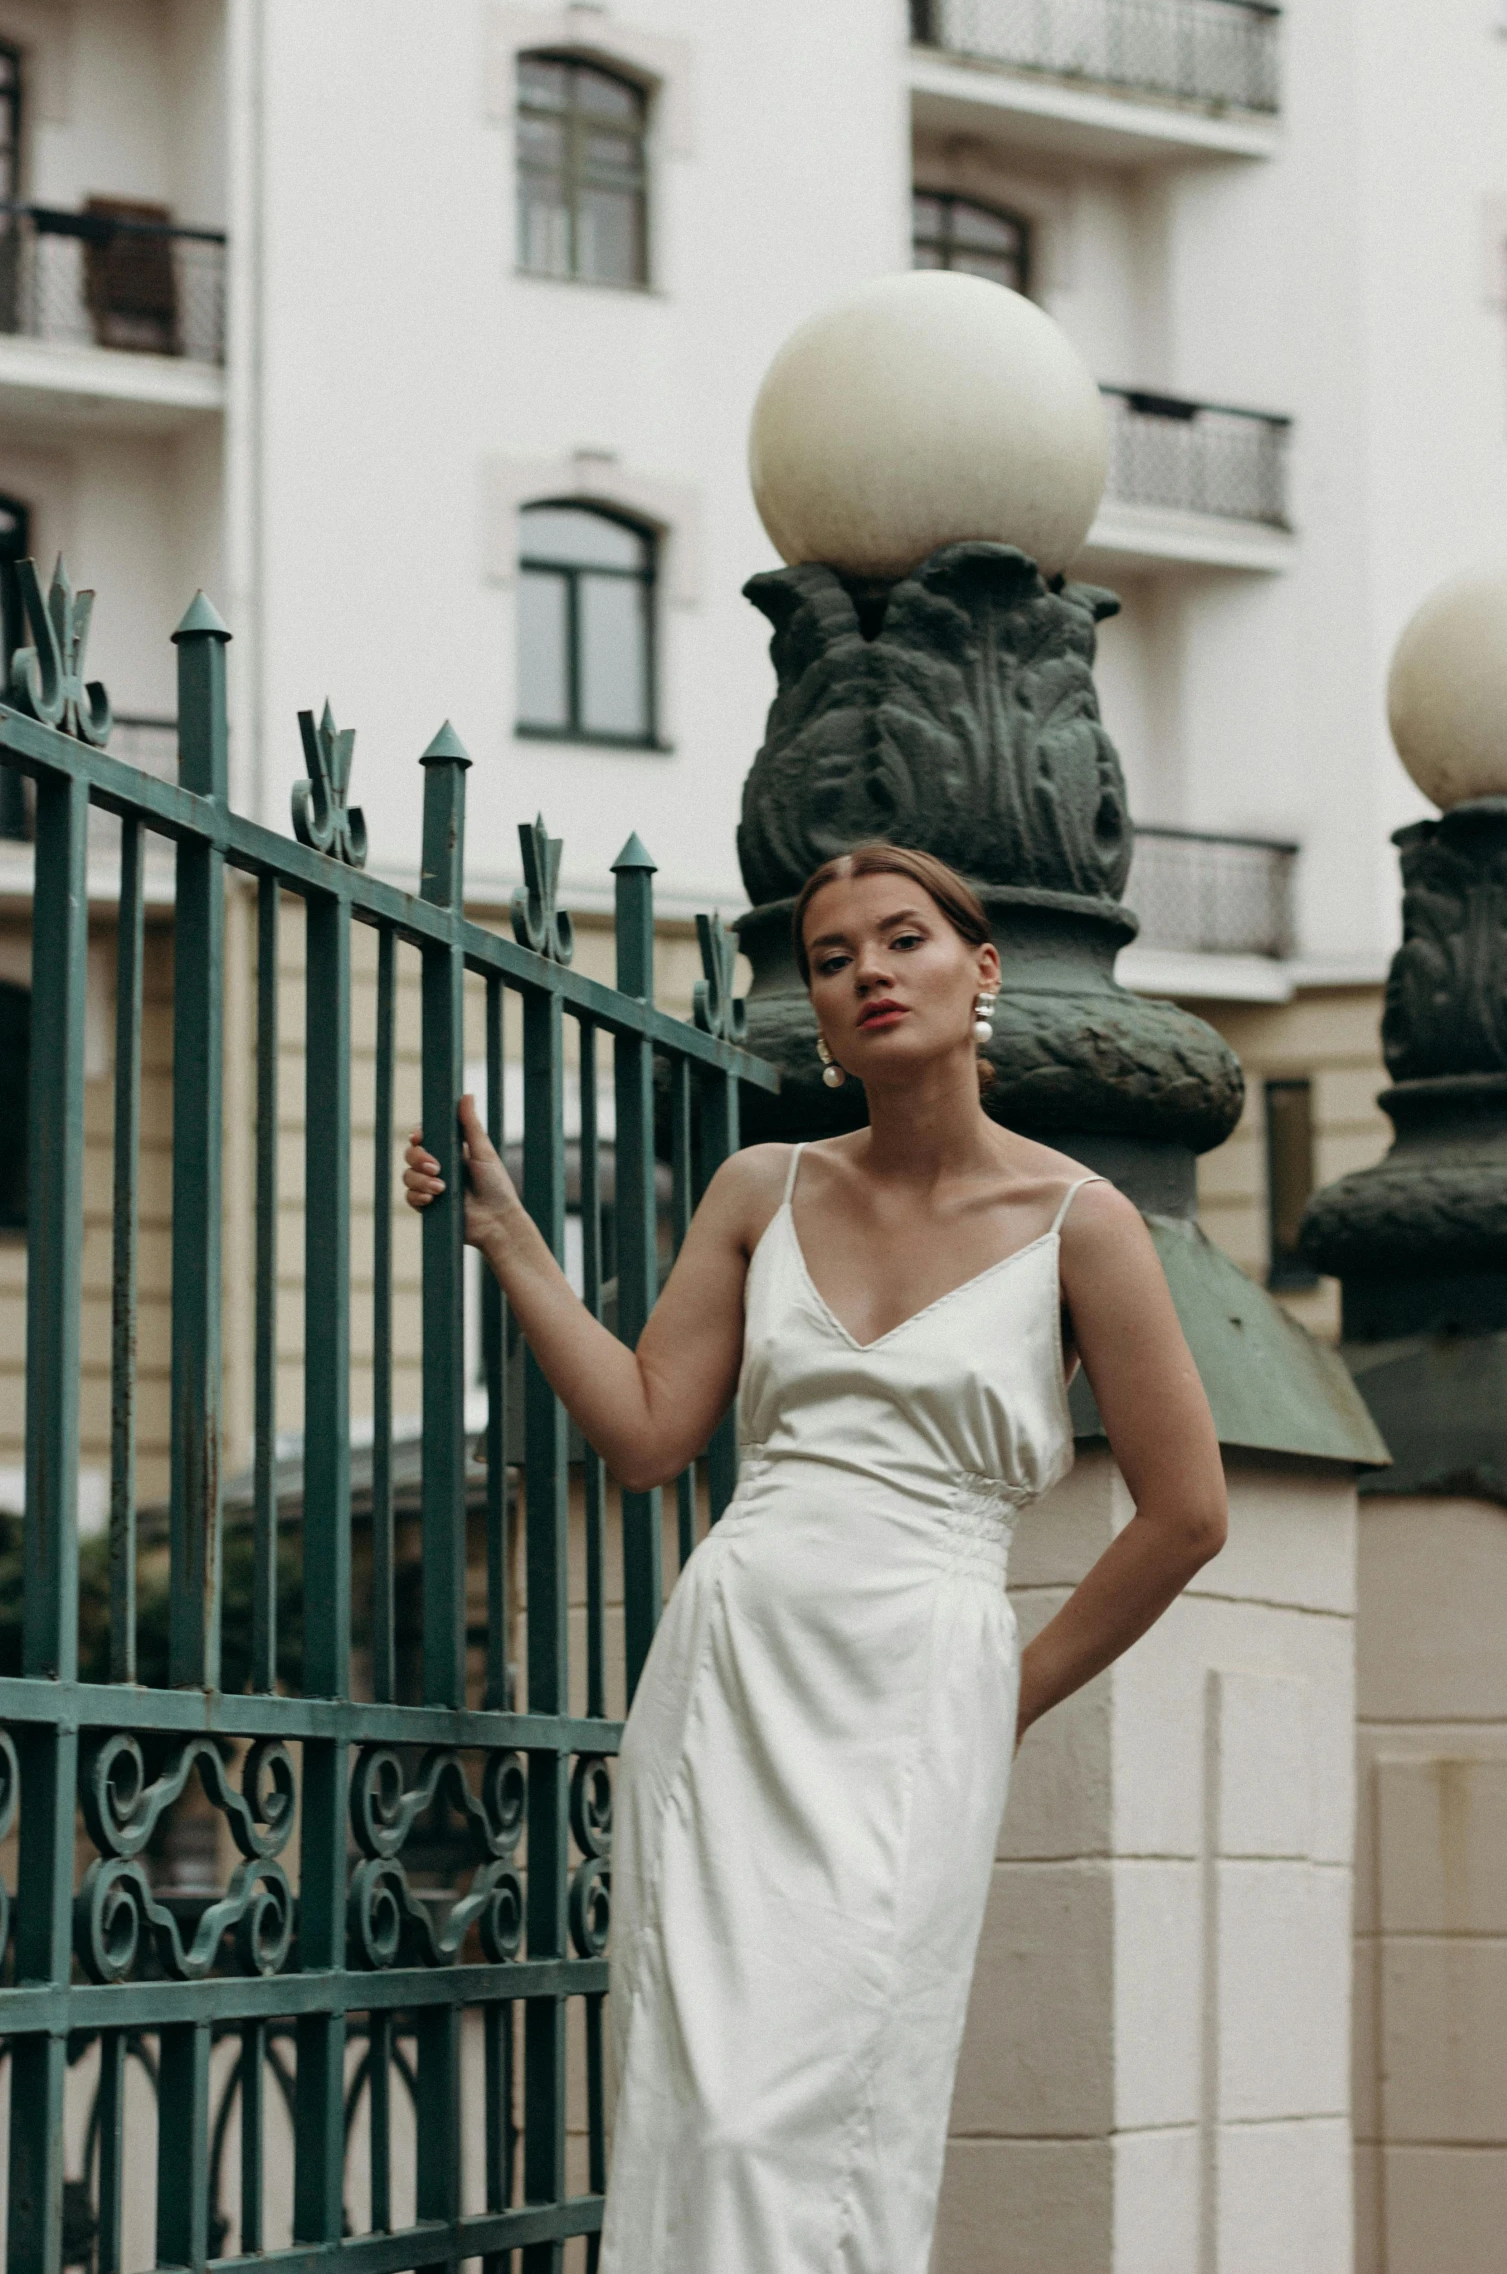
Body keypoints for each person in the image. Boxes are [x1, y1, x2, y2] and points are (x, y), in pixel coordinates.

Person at [403, 842, 1227, 2274]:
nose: (864, 974)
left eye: (898, 940)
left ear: (977, 971)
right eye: (832, 958)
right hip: (733, 1668)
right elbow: (654, 1432)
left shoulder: (1080, 1224)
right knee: (704, 2106)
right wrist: (513, 1243)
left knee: (840, 2096)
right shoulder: (756, 1189)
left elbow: (1185, 1510)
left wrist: (1006, 1691)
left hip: (919, 1691)